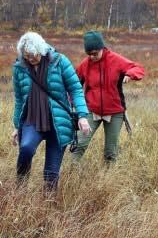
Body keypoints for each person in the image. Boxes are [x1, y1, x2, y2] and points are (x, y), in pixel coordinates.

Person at [11, 31, 92, 190]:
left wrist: (82, 116)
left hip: (58, 122)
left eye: (34, 56)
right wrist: (16, 126)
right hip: (32, 120)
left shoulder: (59, 62)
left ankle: (48, 205)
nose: (30, 59)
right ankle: (19, 190)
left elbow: (75, 89)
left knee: (51, 172)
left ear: (42, 50)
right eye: (26, 56)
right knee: (26, 148)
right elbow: (19, 98)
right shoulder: (20, 67)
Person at [72, 31, 145, 163]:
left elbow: (137, 68)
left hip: (115, 111)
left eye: (95, 53)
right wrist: (70, 102)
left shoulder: (116, 60)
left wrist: (130, 74)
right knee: (80, 145)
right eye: (89, 54)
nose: (92, 57)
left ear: (102, 48)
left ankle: (108, 178)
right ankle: (69, 173)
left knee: (110, 152)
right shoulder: (85, 64)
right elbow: (74, 84)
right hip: (91, 110)